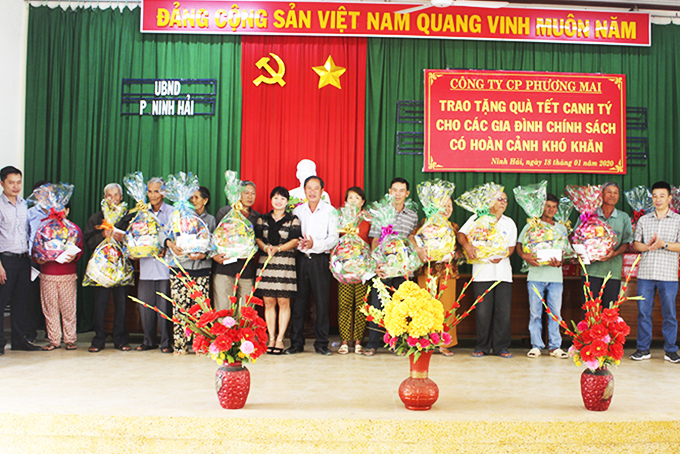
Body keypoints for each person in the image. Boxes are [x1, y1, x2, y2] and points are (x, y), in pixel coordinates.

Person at [457, 191, 517, 358]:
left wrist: (501, 255)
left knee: (503, 312)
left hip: (503, 273)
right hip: (482, 272)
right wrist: (468, 247)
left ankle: (501, 347)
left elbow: (511, 247)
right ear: (490, 201)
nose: (503, 203)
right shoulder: (478, 217)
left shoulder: (509, 223)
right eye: (500, 199)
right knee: (483, 311)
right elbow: (461, 234)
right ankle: (481, 346)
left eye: (506, 200)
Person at [363, 177, 419, 357]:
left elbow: (412, 240)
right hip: (383, 266)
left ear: (407, 194)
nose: (397, 194)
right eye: (394, 190)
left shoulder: (412, 215)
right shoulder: (381, 212)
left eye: (401, 190)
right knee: (377, 304)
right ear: (389, 192)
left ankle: (397, 343)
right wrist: (376, 263)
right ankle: (372, 343)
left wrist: (411, 263)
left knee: (399, 306)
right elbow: (375, 239)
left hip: (403, 268)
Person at [286, 176, 338, 356]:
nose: (313, 191)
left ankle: (322, 343)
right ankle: (296, 343)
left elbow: (333, 239)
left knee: (322, 303)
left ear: (322, 191)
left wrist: (314, 244)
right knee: (299, 303)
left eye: (316, 188)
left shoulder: (331, 211)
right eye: (309, 188)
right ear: (305, 190)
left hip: (320, 260)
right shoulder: (298, 211)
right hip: (300, 259)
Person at [630, 181, 680, 363]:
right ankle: (643, 349)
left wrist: (663, 244)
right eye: (655, 196)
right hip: (646, 275)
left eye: (662, 196)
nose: (658, 199)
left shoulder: (678, 220)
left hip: (668, 275)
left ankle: (671, 350)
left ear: (669, 198)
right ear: (652, 198)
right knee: (643, 312)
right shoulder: (644, 220)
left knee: (670, 314)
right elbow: (636, 244)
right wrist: (648, 246)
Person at [163, 186, 216, 355]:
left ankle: (200, 345)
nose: (193, 201)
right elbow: (162, 234)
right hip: (180, 268)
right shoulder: (179, 216)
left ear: (205, 200)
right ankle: (179, 345)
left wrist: (204, 255)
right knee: (180, 308)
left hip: (201, 269)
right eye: (191, 198)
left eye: (196, 197)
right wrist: (170, 244)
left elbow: (215, 243)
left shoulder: (210, 220)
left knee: (200, 309)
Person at [516, 193, 568, 359]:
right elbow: (519, 245)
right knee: (535, 313)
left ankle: (555, 347)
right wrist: (525, 256)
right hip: (535, 276)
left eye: (554, 207)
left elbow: (565, 252)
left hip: (555, 278)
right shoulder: (532, 226)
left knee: (555, 314)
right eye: (548, 206)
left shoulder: (561, 228)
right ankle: (536, 345)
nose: (551, 209)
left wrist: (560, 261)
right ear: (541, 207)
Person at [83, 183, 133, 353]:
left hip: (122, 268)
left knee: (121, 305)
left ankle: (121, 339)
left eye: (116, 195)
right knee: (100, 305)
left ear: (121, 197)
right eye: (109, 196)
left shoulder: (128, 217)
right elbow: (88, 242)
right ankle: (98, 340)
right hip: (101, 270)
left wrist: (124, 240)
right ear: (104, 198)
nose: (113, 199)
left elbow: (137, 240)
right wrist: (102, 235)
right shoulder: (96, 219)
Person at [410, 196, 460, 356]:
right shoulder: (425, 223)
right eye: (443, 205)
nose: (447, 208)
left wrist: (454, 254)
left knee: (447, 307)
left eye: (450, 205)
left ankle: (445, 343)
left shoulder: (453, 227)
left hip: (448, 271)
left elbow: (460, 250)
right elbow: (411, 237)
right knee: (425, 306)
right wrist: (419, 249)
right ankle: (424, 340)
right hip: (427, 269)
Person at [254, 187, 301, 355]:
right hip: (266, 262)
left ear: (287, 202)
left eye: (282, 198)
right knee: (269, 302)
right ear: (271, 200)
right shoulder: (262, 219)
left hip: (285, 263)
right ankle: (270, 337)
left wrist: (279, 249)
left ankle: (280, 339)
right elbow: (258, 238)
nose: (278, 201)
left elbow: (295, 241)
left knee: (283, 302)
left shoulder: (293, 219)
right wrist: (266, 247)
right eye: (275, 198)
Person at [0, 166, 41, 353]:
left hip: (24, 259)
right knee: (1, 302)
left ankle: (19, 340)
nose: (16, 186)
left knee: (21, 302)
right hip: (5, 260)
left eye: (18, 182)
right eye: (11, 182)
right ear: (2, 183)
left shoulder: (25, 204)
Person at [35, 203, 83, 351]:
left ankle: (70, 339)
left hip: (67, 274)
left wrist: (74, 256)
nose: (58, 212)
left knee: (68, 308)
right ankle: (54, 340)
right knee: (50, 309)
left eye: (61, 208)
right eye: (55, 208)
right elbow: (36, 250)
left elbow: (80, 249)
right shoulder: (43, 228)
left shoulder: (73, 229)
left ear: (68, 210)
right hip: (47, 274)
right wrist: (38, 258)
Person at [135, 177, 176, 353]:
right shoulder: (141, 213)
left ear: (164, 193)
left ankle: (166, 342)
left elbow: (178, 237)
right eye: (150, 191)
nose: (153, 195)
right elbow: (135, 235)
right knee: (146, 306)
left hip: (165, 268)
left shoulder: (173, 212)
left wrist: (166, 247)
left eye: (156, 191)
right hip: (145, 267)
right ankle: (148, 340)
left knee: (164, 308)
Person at [577, 182, 633, 306]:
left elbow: (626, 242)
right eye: (609, 192)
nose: (612, 195)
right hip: (590, 272)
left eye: (615, 193)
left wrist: (614, 254)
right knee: (589, 311)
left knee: (609, 311)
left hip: (613, 272)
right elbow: (576, 238)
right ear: (601, 195)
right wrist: (584, 256)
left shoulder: (624, 218)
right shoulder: (588, 215)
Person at [213, 181, 259, 308]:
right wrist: (214, 255)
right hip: (224, 269)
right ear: (238, 194)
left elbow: (258, 242)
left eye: (253, 193)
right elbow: (215, 237)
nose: (250, 196)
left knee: (245, 311)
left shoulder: (256, 217)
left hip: (246, 270)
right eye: (246, 193)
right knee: (223, 309)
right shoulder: (226, 213)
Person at [337, 187, 370, 355]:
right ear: (346, 200)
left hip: (363, 269)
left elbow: (373, 241)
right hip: (344, 267)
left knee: (361, 305)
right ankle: (344, 341)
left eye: (357, 198)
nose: (353, 200)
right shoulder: (340, 219)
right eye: (350, 197)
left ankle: (358, 342)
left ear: (363, 201)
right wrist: (333, 260)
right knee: (344, 304)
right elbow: (336, 242)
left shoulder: (368, 220)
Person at [26, 179, 49, 343]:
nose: (46, 195)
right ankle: (30, 333)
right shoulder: (28, 213)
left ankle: (52, 333)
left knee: (51, 298)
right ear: (35, 195)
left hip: (53, 261)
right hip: (33, 260)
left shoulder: (57, 212)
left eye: (49, 192)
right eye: (42, 192)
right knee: (31, 297)